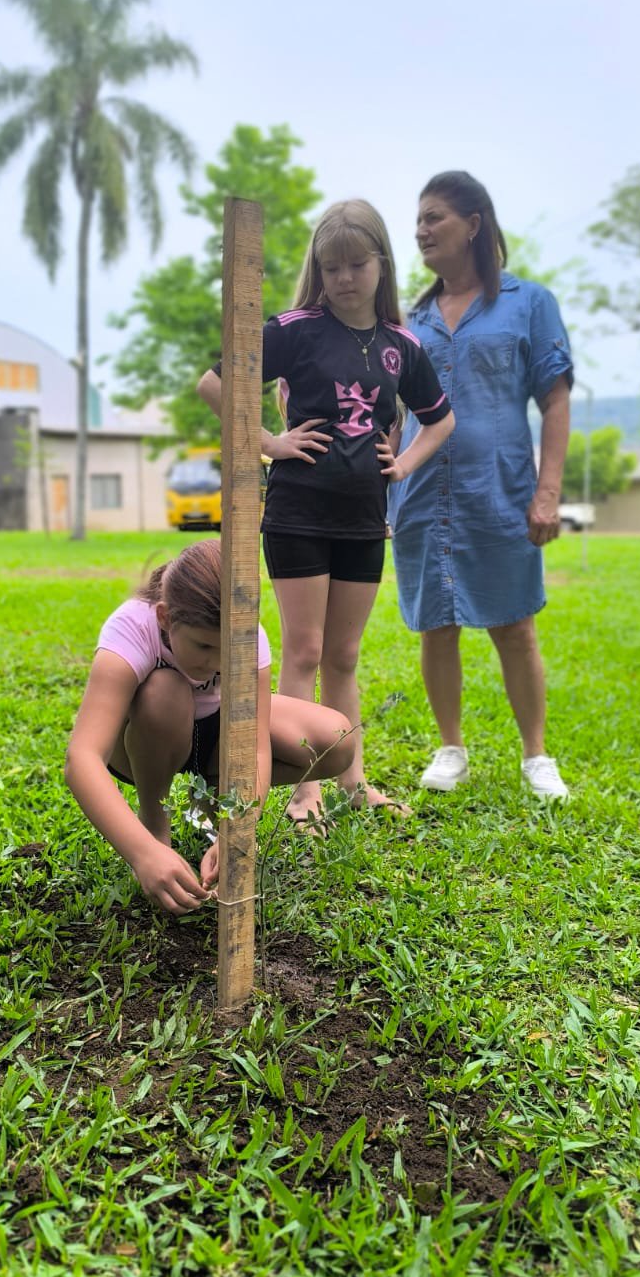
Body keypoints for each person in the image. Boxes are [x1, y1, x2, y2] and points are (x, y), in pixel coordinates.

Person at [197, 199, 454, 825]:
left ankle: (351, 781)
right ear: (319, 268)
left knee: (343, 657)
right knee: (304, 651)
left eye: (356, 264)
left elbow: (440, 420)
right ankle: (304, 788)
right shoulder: (295, 329)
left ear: (380, 265)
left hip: (366, 519)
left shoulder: (402, 346)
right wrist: (268, 442)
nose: (344, 277)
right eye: (331, 265)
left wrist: (404, 465)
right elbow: (213, 381)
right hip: (298, 514)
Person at [387, 171, 573, 801]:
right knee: (435, 624)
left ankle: (536, 755)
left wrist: (547, 493)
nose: (421, 229)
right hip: (420, 499)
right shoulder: (410, 319)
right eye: (417, 219)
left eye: (434, 216)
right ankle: (451, 747)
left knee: (514, 626)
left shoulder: (529, 303)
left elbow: (555, 399)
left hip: (499, 492)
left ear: (474, 224)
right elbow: (392, 413)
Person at [65, 538, 355, 915]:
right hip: (146, 740)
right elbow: (82, 758)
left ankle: (213, 797)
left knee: (336, 739)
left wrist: (237, 828)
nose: (218, 663)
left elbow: (254, 746)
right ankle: (156, 823)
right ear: (166, 618)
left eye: (229, 649)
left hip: (218, 735)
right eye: (204, 647)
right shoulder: (132, 626)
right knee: (164, 691)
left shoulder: (248, 636)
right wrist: (143, 853)